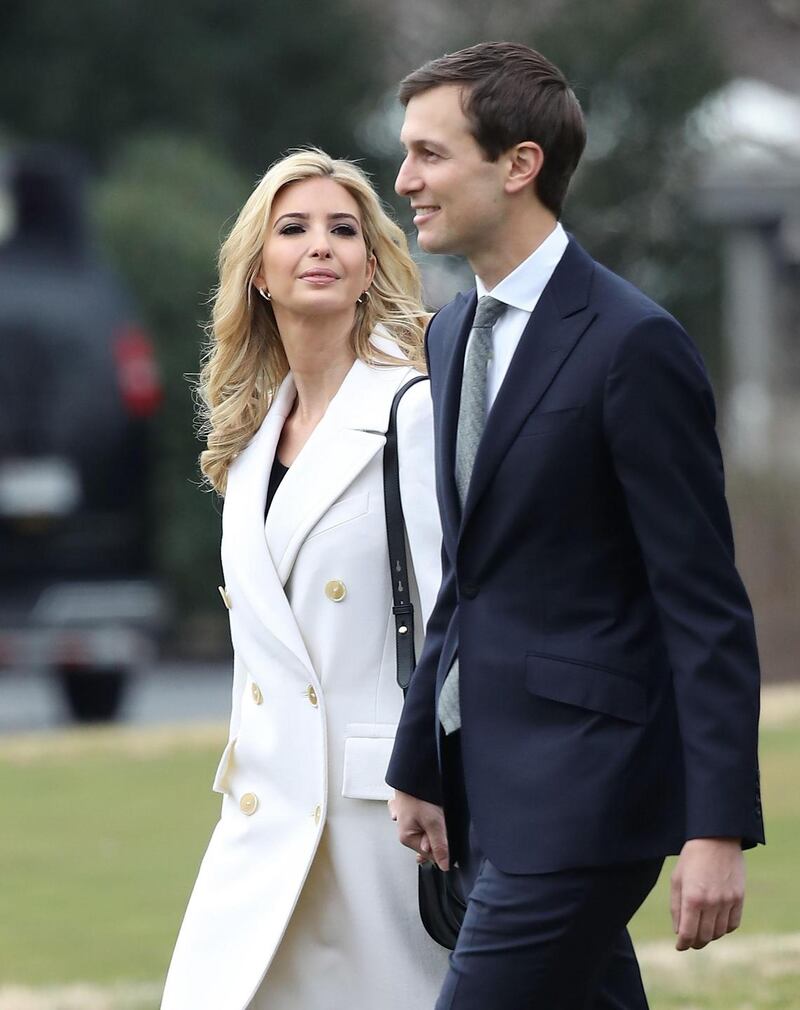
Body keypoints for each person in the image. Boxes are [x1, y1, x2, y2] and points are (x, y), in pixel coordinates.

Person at [386, 42, 764, 1010]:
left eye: (430, 154)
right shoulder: (447, 331)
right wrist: (419, 756)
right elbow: (470, 571)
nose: (404, 180)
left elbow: (702, 603)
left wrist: (713, 827)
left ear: (517, 165)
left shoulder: (631, 343)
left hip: (585, 798)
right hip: (482, 789)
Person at [160, 148, 449, 1010]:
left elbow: (452, 621)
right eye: (294, 229)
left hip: (386, 828)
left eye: (343, 230)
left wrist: (437, 775)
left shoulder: (417, 412)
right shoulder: (247, 450)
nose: (320, 245)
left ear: (368, 267)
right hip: (263, 821)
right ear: (257, 271)